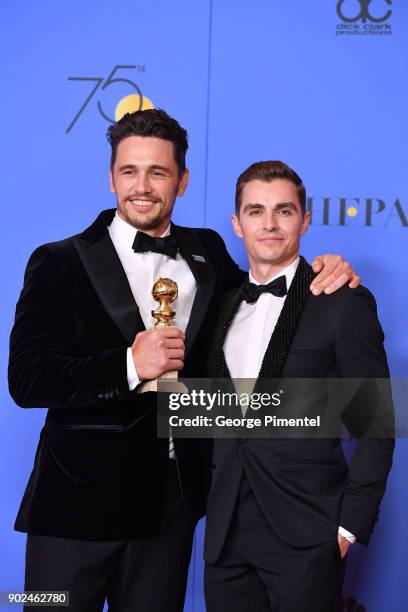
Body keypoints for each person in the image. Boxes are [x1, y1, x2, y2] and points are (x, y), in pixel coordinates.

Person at [9, 110, 359, 612]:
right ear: (111, 179)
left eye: (158, 172)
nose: (142, 186)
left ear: (183, 180)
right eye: (129, 171)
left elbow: (265, 295)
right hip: (72, 510)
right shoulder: (58, 260)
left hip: (169, 511)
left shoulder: (207, 251)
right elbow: (27, 379)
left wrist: (319, 269)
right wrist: (129, 364)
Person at [204, 160, 394, 612]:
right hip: (225, 537)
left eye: (284, 211)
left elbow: (377, 421)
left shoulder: (341, 303)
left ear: (305, 220)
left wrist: (349, 527)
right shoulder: (220, 305)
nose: (269, 224)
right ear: (236, 223)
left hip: (307, 532)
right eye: (255, 211)